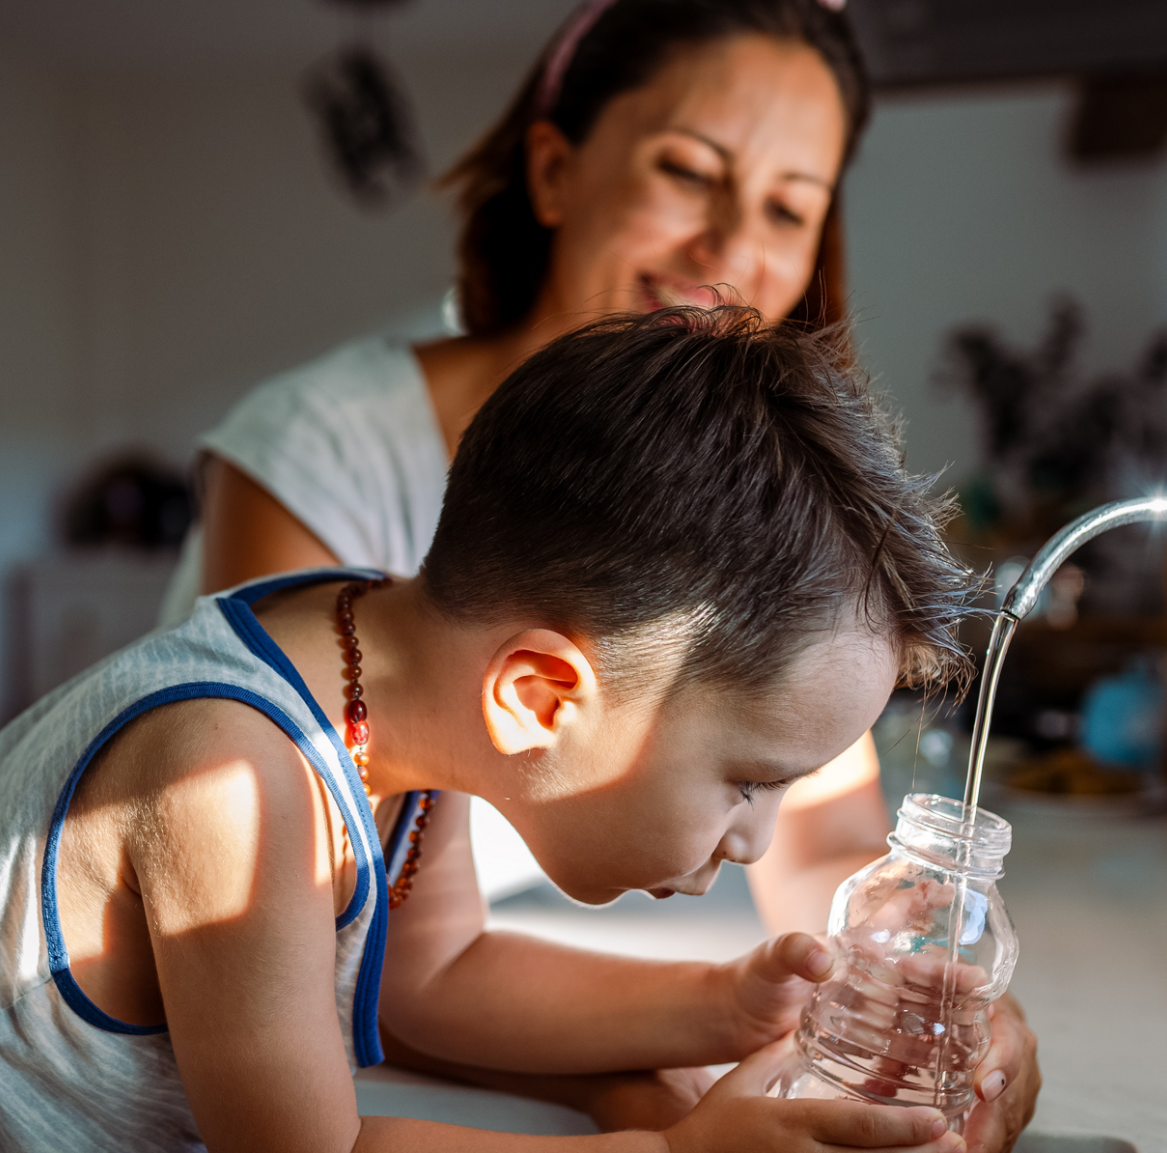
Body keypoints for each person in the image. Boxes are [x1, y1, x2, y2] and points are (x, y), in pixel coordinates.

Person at [0, 308, 999, 1153]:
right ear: (542, 698)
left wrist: (721, 999)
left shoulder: (392, 685)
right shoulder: (228, 780)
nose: (756, 833)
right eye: (746, 781)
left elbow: (433, 976)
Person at [165, 1, 1039, 1143]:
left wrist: (902, 976)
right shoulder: (315, 497)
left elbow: (817, 833)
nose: (729, 250)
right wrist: (637, 1102)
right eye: (688, 171)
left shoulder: (733, 500)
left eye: (786, 206)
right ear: (553, 169)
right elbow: (330, 970)